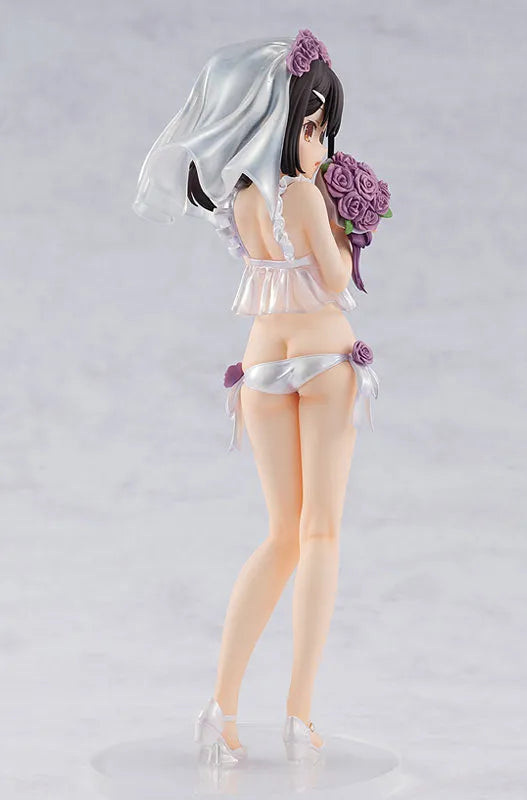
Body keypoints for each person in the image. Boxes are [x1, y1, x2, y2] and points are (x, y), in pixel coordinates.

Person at [133, 29, 379, 766]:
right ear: (276, 122)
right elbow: (333, 279)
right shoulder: (300, 194)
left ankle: (221, 706)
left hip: (262, 361)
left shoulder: (241, 199)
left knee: (279, 535)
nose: (321, 143)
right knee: (319, 533)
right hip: (323, 359)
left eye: (324, 128)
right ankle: (298, 714)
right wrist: (351, 226)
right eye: (310, 127)